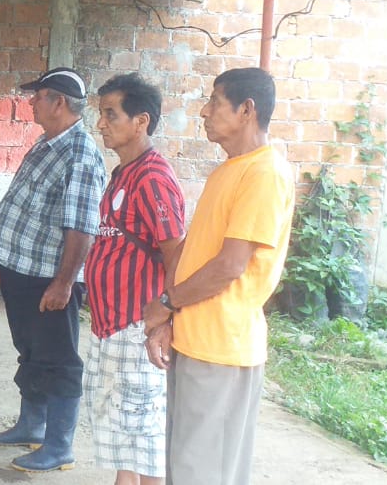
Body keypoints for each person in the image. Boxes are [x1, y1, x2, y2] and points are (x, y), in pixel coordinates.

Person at [142, 67, 295, 485]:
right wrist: (169, 322)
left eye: (214, 102)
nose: (204, 111)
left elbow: (229, 266)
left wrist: (166, 303)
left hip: (222, 348)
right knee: (185, 468)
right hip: (195, 340)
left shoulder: (264, 173)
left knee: (203, 473)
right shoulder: (229, 170)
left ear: (247, 110)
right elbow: (193, 253)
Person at [0, 67, 106, 472]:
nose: (32, 102)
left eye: (39, 96)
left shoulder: (80, 154)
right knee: (31, 350)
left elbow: (82, 226)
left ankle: (58, 446)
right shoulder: (48, 142)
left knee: (59, 359)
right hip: (22, 269)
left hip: (48, 278)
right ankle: (31, 426)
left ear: (59, 102)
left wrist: (64, 282)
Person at [83, 74, 186, 485]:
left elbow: (176, 252)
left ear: (140, 121)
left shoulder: (152, 178)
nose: (101, 123)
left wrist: (164, 320)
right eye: (101, 114)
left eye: (111, 114)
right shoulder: (123, 174)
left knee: (145, 434)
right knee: (124, 429)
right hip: (111, 326)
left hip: (137, 328)